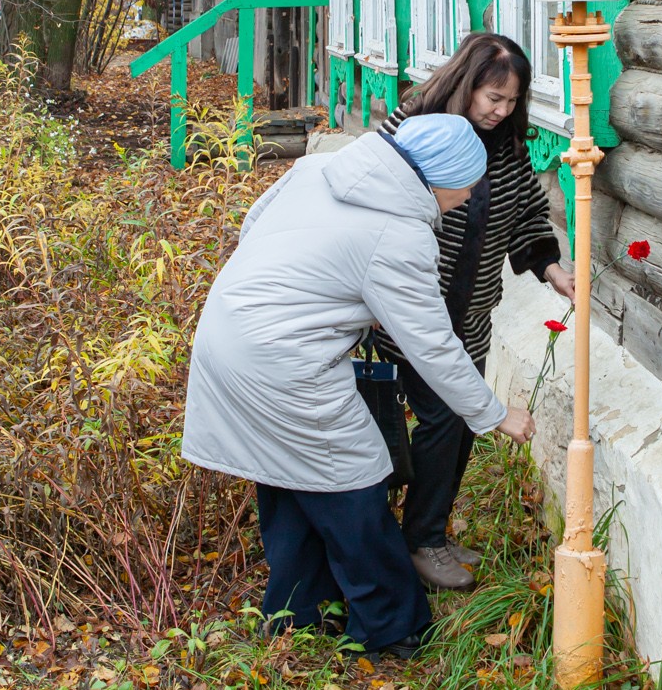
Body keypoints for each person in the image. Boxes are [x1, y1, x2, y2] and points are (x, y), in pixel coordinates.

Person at [182, 113, 536, 657]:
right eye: (467, 186)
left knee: (287, 477)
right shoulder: (399, 234)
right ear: (439, 179)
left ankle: (298, 615)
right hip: (285, 363)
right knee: (356, 485)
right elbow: (434, 346)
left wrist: (326, 289)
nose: (466, 199)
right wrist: (493, 413)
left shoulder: (316, 169)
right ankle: (392, 629)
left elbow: (253, 226)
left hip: (227, 333)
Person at [375, 32, 574, 592]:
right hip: (410, 312)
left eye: (512, 101)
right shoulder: (413, 124)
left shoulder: (507, 140)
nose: (501, 110)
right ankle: (420, 542)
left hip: (472, 311)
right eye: (492, 97)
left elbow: (528, 207)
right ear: (466, 83)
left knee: (461, 423)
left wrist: (551, 268)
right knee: (441, 418)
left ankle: (430, 530)